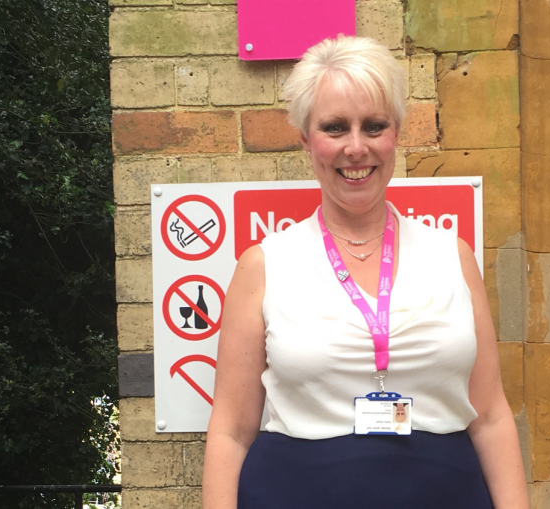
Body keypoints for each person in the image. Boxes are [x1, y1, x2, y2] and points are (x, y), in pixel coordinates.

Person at [202, 36, 529, 509]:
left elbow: (492, 415)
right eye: (335, 128)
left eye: (373, 126)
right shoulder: (265, 265)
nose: (356, 148)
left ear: (396, 132)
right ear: (305, 140)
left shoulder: (452, 256)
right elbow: (231, 430)